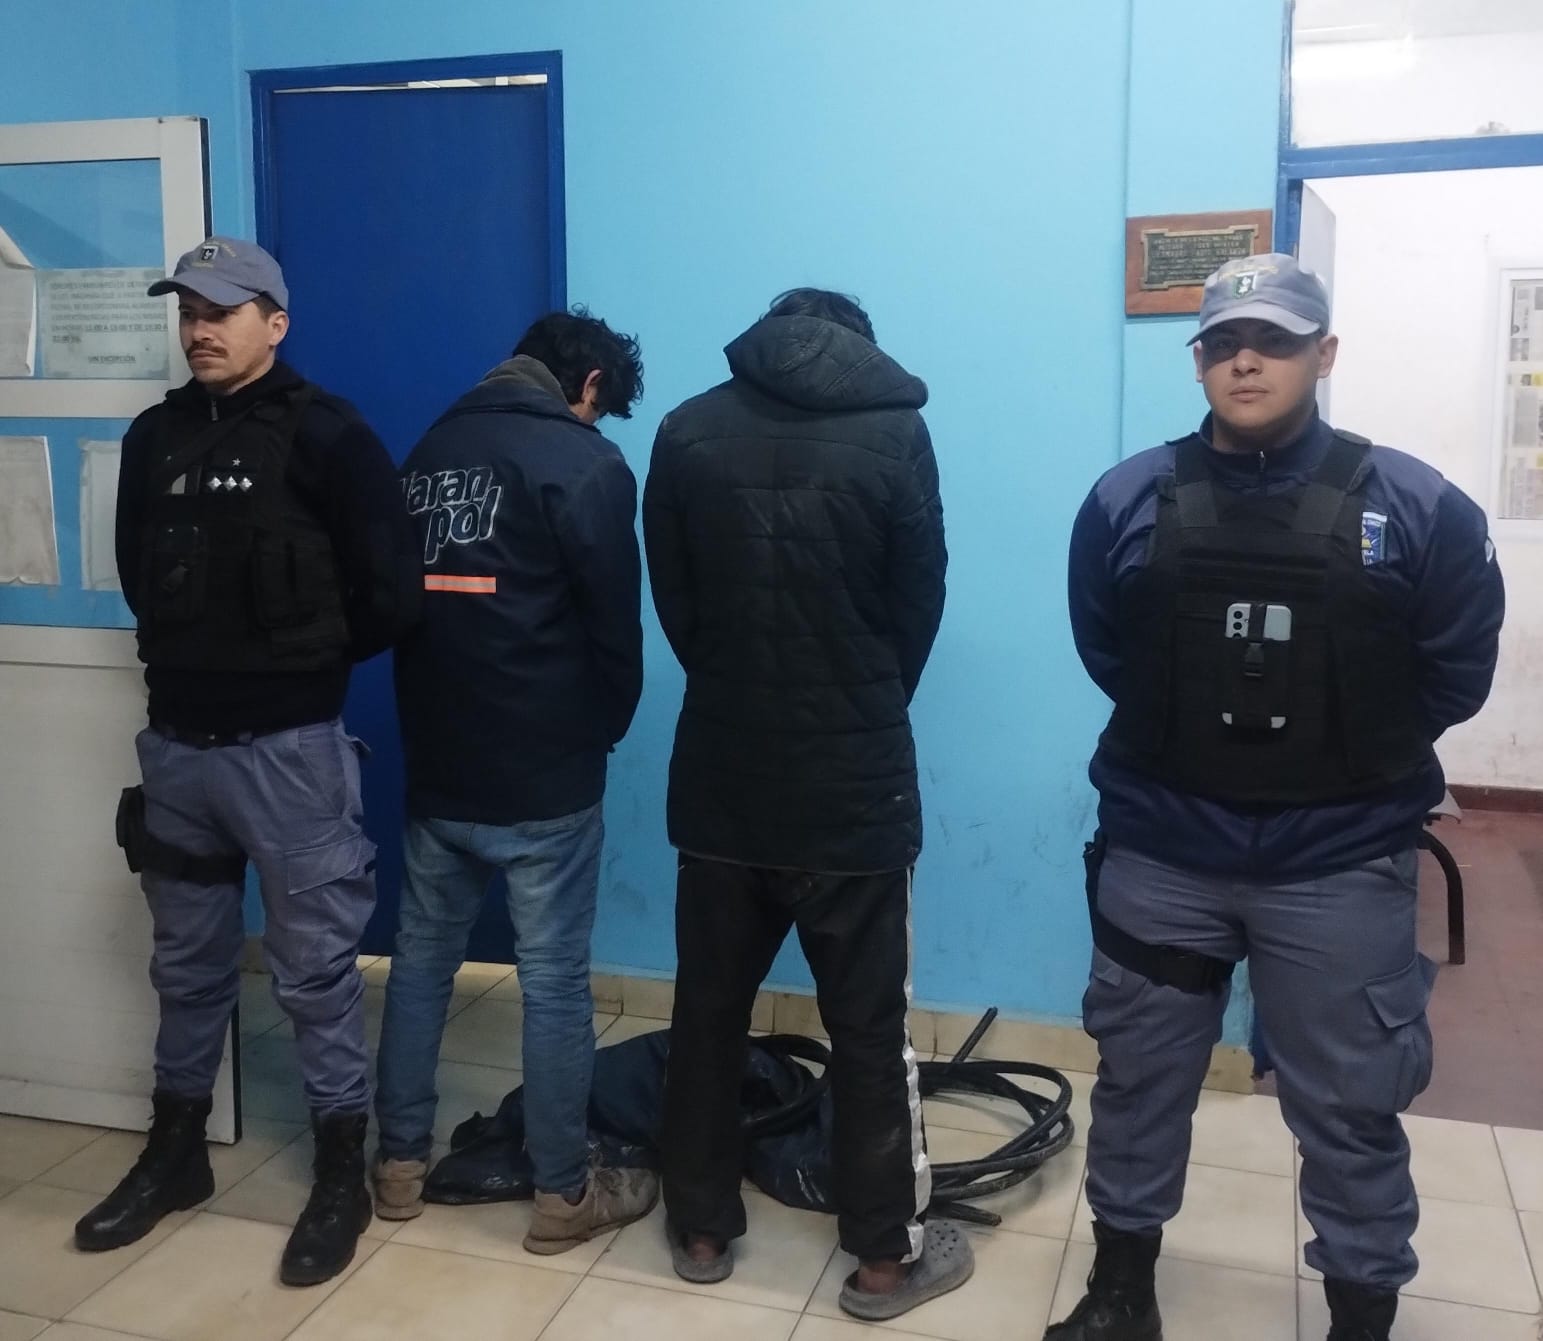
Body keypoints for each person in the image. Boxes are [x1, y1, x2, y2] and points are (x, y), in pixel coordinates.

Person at [1050, 254, 1504, 1341]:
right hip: (1164, 850)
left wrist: (1338, 753)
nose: (1244, 360)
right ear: (1199, 361)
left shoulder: (1417, 505)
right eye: (1221, 343)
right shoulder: (1125, 498)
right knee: (1138, 1079)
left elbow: (1454, 671)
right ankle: (1120, 1292)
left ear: (1323, 353)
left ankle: (1359, 1314)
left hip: (1337, 860)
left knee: (1350, 1105)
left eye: (1275, 341)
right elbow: (1110, 651)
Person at [80, 238, 422, 1285]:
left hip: (289, 755)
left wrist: (296, 670)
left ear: (274, 321)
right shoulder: (155, 436)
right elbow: (139, 574)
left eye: (221, 311)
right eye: (187, 310)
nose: (199, 329)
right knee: (186, 968)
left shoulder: (329, 435)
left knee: (316, 975)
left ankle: (338, 1168)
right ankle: (176, 1151)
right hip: (178, 753)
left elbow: (391, 594)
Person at [644, 288, 962, 1320]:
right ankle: (882, 1259)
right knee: (869, 1031)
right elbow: (917, 601)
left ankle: (700, 1228)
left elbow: (678, 602)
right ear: (855, 349)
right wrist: (864, 695)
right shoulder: (896, 434)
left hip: (721, 777)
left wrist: (735, 680)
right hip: (853, 789)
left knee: (707, 1014)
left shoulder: (685, 430)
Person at [374, 308, 656, 1252]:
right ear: (588, 386)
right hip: (544, 775)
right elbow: (614, 627)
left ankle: (398, 1166)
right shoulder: (585, 464)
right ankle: (563, 1192)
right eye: (601, 406)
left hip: (440, 766)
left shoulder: (428, 452)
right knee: (554, 981)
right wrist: (602, 729)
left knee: (419, 966)